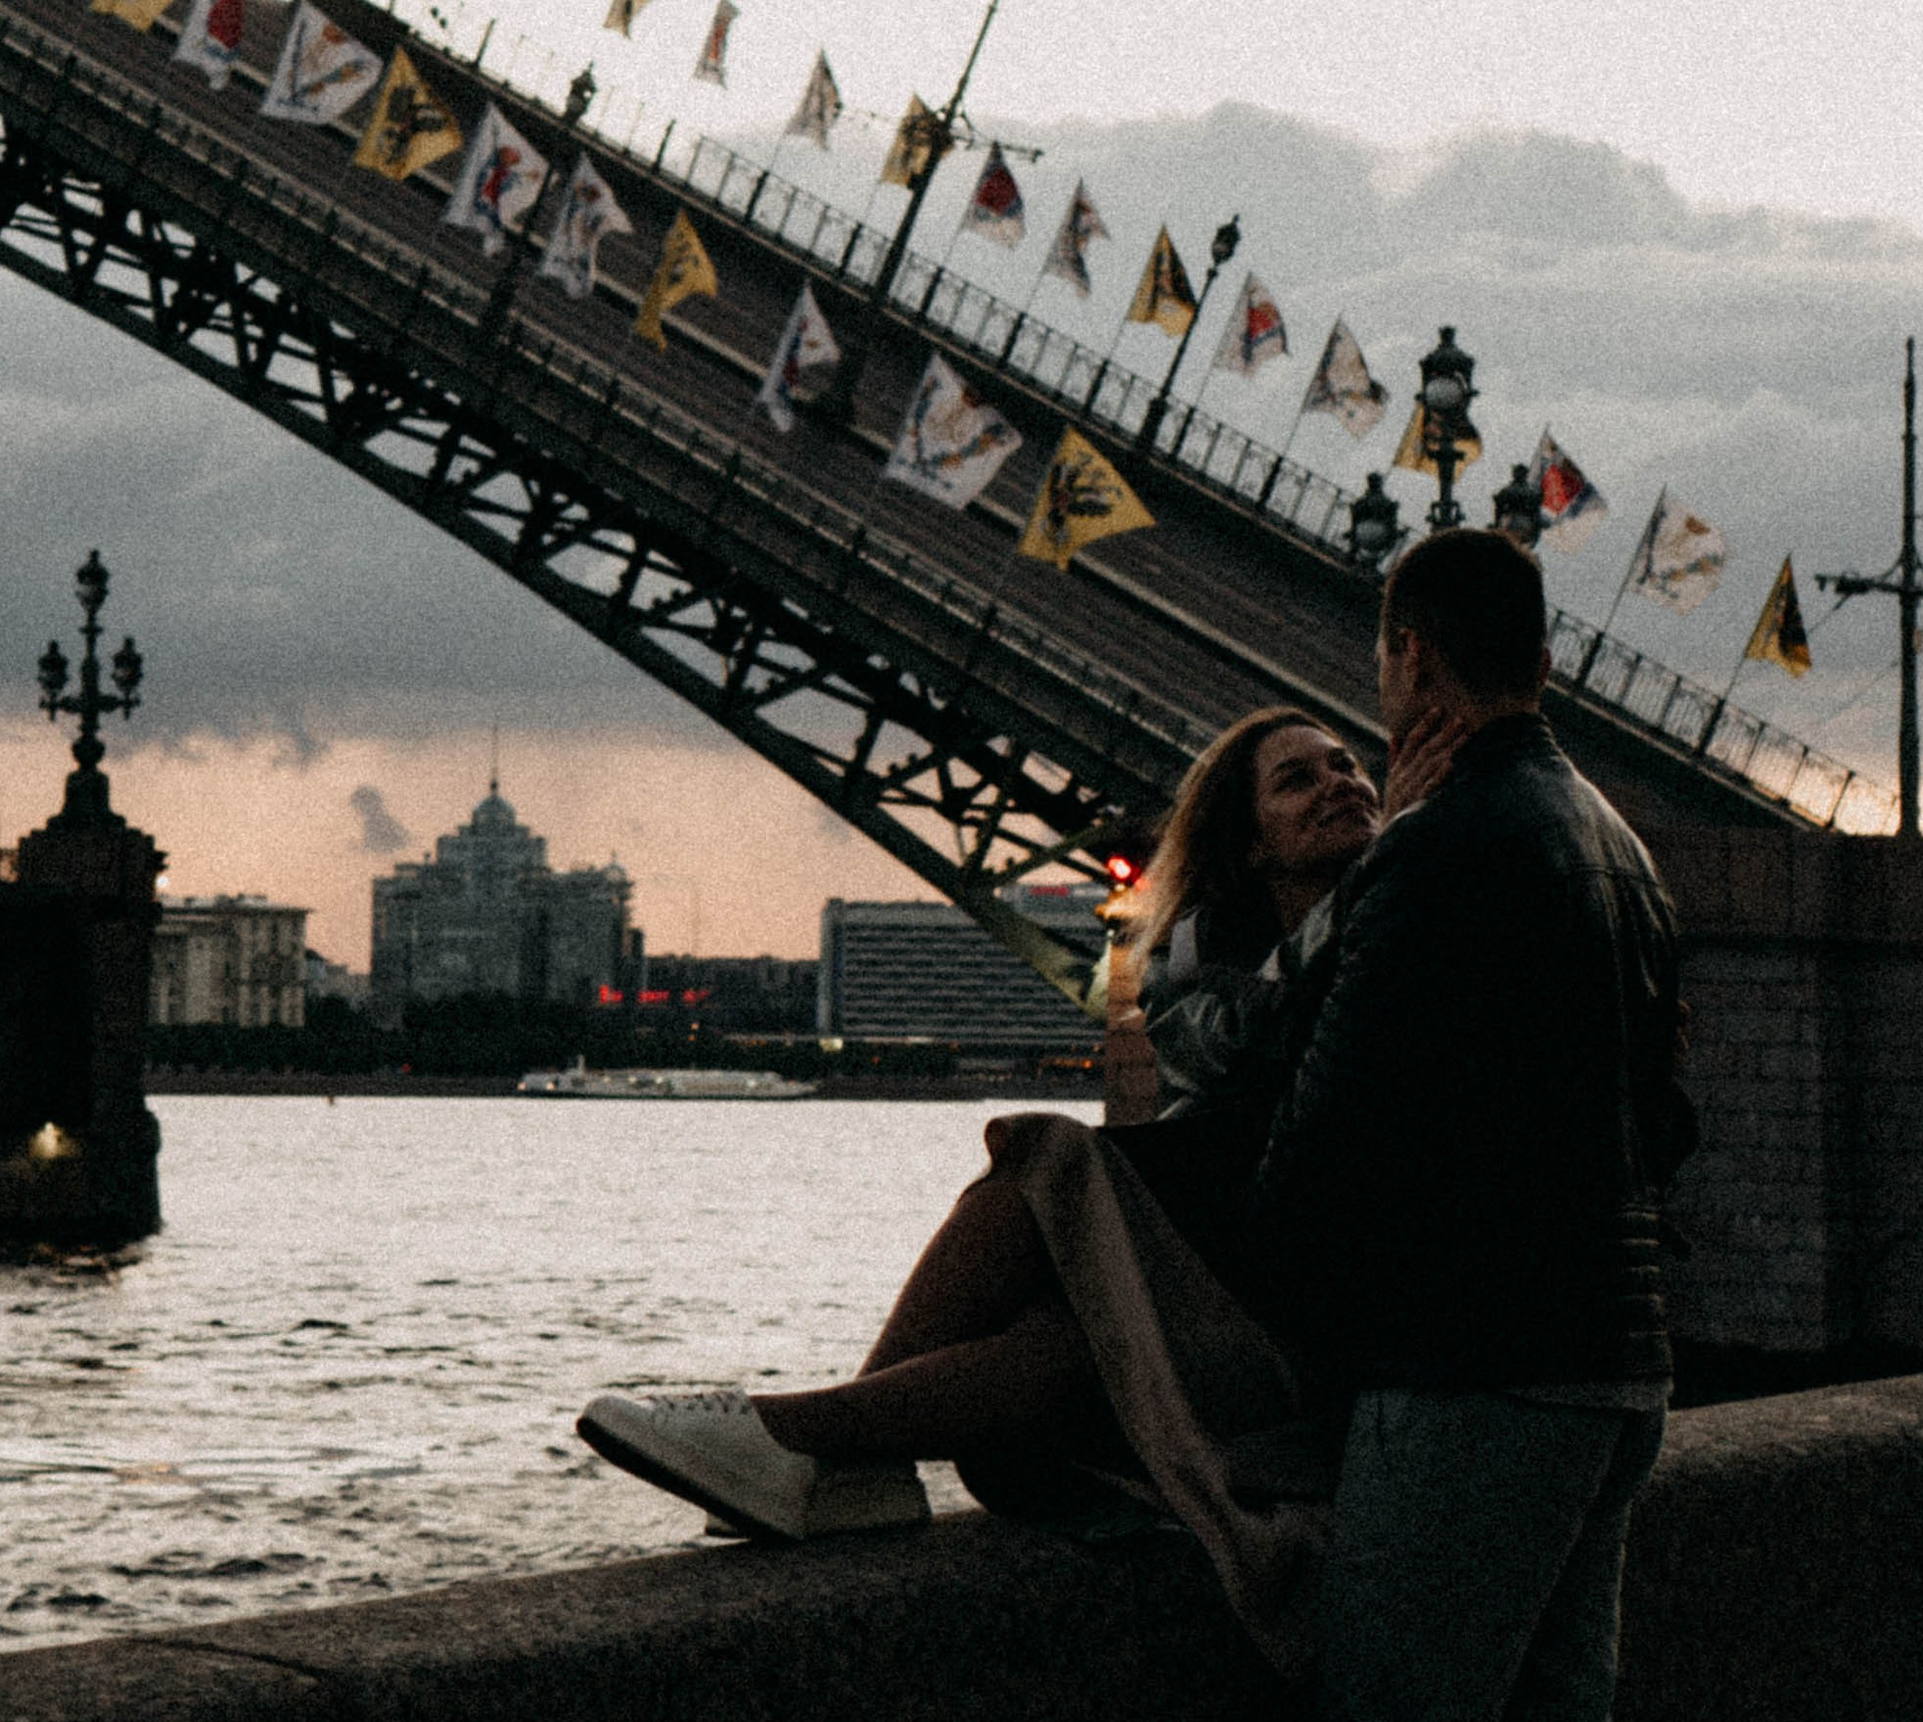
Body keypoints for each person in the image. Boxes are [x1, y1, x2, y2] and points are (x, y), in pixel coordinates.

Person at [1229, 525, 1687, 1722]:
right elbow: (1669, 1126)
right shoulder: (1618, 843)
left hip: (1475, 1377)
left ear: (1416, 661)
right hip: (1620, 1369)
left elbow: (1313, 1161)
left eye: (1384, 665)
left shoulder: (1441, 848)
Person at [575, 704, 1382, 1654]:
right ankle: (824, 1455)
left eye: (1348, 766)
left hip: (1321, 1354)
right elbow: (1239, 1083)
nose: (1340, 782)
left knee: (1046, 1162)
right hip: (1244, 1320)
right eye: (1300, 778)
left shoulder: (1389, 936)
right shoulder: (1215, 982)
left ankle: (799, 1441)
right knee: (1062, 1332)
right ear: (1248, 848)